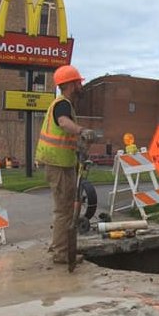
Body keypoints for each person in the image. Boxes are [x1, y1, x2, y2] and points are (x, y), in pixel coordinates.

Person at [36, 64, 96, 265]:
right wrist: (81, 130)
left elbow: (63, 134)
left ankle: (58, 246)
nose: (81, 85)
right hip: (58, 163)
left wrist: (79, 147)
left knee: (66, 208)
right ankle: (61, 253)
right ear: (70, 84)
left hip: (61, 162)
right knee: (64, 210)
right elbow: (63, 123)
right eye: (78, 82)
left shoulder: (63, 104)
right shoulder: (62, 105)